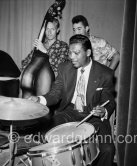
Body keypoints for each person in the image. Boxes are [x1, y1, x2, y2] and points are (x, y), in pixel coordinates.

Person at [29, 34, 116, 166]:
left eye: (76, 53)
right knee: (43, 134)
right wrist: (39, 99)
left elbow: (109, 100)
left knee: (107, 149)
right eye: (70, 52)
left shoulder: (105, 73)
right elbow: (55, 94)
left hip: (93, 116)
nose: (71, 57)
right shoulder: (64, 68)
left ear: (88, 52)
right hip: (69, 111)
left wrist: (103, 110)